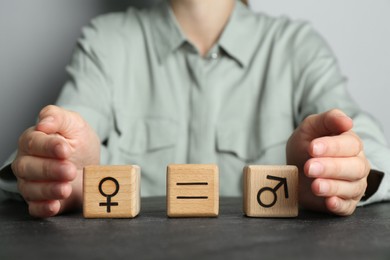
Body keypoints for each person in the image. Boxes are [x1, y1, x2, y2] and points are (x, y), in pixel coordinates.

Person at [1, 0, 389, 218]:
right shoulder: (106, 42)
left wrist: (343, 168)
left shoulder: (297, 46)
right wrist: (58, 164)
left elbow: (366, 142)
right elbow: (57, 131)